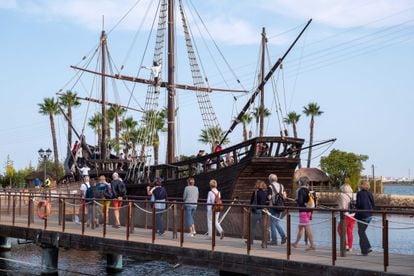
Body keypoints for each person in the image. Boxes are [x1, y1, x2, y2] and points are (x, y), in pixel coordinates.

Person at [292, 176, 316, 250]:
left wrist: (297, 200)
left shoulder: (301, 190)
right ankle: (296, 243)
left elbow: (300, 202)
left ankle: (312, 245)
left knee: (307, 227)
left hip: (303, 212)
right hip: (308, 211)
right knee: (301, 227)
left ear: (300, 182)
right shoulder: (308, 190)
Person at [355, 179, 375, 256]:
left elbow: (359, 204)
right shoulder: (370, 193)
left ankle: (368, 247)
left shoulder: (359, 193)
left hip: (362, 216)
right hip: (369, 215)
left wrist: (355, 205)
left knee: (361, 232)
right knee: (361, 232)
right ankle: (364, 251)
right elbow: (373, 204)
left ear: (361, 185)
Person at [268, 174, 287, 245]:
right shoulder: (281, 186)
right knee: (276, 222)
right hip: (280, 207)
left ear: (270, 180)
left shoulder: (270, 187)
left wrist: (270, 196)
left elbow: (269, 197)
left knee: (272, 223)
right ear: (276, 179)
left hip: (273, 207)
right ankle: (283, 236)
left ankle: (274, 240)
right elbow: (285, 196)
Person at [337, 180, 356, 251]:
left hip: (345, 215)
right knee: (350, 231)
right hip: (353, 215)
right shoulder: (353, 194)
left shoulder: (342, 195)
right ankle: (350, 247)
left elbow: (342, 207)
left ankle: (346, 245)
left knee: (339, 230)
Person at [248, 180, 268, 247]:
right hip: (264, 211)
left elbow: (251, 202)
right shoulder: (266, 192)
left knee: (252, 226)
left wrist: (249, 209)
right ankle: (264, 243)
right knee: (263, 228)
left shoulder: (255, 192)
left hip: (256, 211)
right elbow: (267, 202)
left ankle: (251, 241)